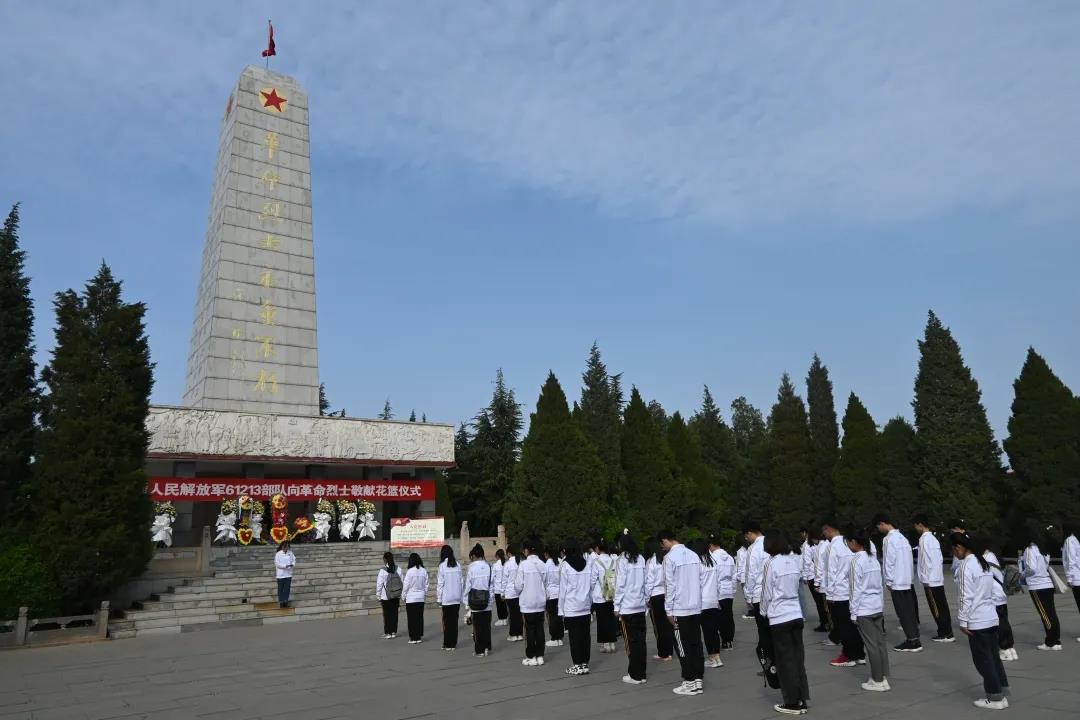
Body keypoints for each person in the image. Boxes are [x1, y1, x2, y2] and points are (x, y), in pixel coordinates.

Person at [953, 533, 1010, 710]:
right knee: (993, 657)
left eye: (953, 550)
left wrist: (963, 620)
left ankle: (995, 697)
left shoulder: (966, 565)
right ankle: (1002, 690)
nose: (954, 554)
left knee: (983, 660)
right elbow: (992, 590)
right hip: (990, 616)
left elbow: (965, 596)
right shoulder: (982, 563)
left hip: (977, 619)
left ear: (959, 547)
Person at [761, 531, 810, 715]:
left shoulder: (771, 563)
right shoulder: (793, 561)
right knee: (798, 660)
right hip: (795, 613)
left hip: (780, 615)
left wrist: (763, 611)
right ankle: (802, 698)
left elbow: (767, 592)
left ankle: (791, 702)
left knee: (785, 661)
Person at [661, 528, 705, 696]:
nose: (663, 547)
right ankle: (698, 679)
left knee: (682, 646)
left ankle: (689, 681)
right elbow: (701, 580)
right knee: (696, 643)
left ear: (665, 540)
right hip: (695, 606)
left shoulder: (669, 558)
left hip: (680, 608)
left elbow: (669, 585)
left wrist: (668, 609)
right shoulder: (693, 555)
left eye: (662, 544)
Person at [848, 530, 890, 692]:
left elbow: (855, 589)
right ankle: (883, 677)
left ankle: (877, 680)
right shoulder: (873, 560)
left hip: (864, 609)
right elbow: (879, 585)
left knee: (871, 645)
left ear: (854, 542)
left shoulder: (856, 561)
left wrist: (853, 612)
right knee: (880, 643)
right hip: (876, 606)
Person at [874, 513, 922, 653]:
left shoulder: (888, 539)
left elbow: (889, 561)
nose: (879, 529)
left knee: (903, 612)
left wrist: (888, 580)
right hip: (907, 580)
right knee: (910, 612)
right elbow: (909, 560)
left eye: (878, 526)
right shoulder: (902, 538)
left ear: (882, 523)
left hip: (897, 582)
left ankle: (912, 641)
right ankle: (915, 638)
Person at [822, 522, 865, 668]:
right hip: (853, 590)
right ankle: (859, 654)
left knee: (843, 626)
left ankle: (848, 655)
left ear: (828, 529)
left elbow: (830, 571)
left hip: (839, 592)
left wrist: (829, 594)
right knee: (854, 626)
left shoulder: (833, 546)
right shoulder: (851, 543)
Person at [614, 531, 649, 685]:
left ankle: (634, 674)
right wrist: (646, 599)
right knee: (641, 641)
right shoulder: (640, 558)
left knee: (631, 642)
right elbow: (646, 582)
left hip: (627, 607)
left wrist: (616, 605)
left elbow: (620, 584)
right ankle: (641, 673)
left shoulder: (622, 560)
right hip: (640, 605)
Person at [913, 515, 955, 642]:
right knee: (943, 606)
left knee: (936, 608)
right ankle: (948, 631)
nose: (915, 529)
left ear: (920, 524)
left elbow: (925, 561)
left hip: (930, 580)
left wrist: (925, 579)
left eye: (915, 526)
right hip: (937, 578)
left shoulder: (924, 540)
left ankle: (944, 633)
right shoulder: (933, 539)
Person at [1021, 532, 1061, 650]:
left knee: (1045, 615)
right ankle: (1056, 641)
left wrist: (1022, 574)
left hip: (1037, 586)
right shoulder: (1043, 550)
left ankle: (1050, 642)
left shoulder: (1030, 549)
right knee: (1051, 613)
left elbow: (1031, 568)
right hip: (1047, 584)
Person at [559, 540, 594, 676]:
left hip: (571, 606)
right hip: (585, 605)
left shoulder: (565, 565)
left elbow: (563, 589)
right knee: (585, 636)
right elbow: (590, 586)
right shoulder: (586, 564)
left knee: (574, 637)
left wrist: (561, 610)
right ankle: (585, 663)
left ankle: (577, 664)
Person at [982, 539, 1017, 662]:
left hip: (994, 595)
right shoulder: (993, 555)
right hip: (1001, 594)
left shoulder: (986, 557)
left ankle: (1004, 649)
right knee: (1004, 621)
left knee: (999, 624)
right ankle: (1010, 648)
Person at [515, 539, 548, 666]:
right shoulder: (542, 564)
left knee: (529, 630)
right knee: (540, 629)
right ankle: (540, 656)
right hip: (540, 602)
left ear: (526, 550)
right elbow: (545, 582)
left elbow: (518, 585)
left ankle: (531, 656)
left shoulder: (523, 565)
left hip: (528, 603)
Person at [693, 540, 723, 668]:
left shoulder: (698, 563)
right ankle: (717, 657)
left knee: (707, 631)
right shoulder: (712, 562)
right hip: (713, 600)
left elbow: (696, 584)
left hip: (703, 602)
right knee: (713, 631)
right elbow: (718, 583)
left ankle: (712, 658)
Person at [645, 538, 674, 661]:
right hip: (666, 593)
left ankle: (663, 652)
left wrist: (646, 598)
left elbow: (649, 582)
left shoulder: (651, 561)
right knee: (668, 624)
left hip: (656, 595)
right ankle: (670, 651)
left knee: (659, 626)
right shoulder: (666, 559)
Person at [464, 543, 494, 656]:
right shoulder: (489, 566)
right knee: (486, 626)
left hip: (475, 600)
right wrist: (491, 599)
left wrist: (466, 602)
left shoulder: (472, 567)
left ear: (474, 555)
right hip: (487, 600)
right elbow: (492, 585)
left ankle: (480, 650)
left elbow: (468, 586)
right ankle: (487, 647)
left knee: (477, 627)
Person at [709, 533, 737, 649]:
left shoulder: (712, 558)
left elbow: (713, 577)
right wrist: (733, 589)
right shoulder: (729, 557)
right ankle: (729, 640)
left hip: (719, 591)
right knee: (729, 616)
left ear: (711, 545)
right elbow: (734, 575)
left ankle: (725, 640)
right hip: (728, 590)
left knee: (720, 617)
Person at [744, 523, 769, 655]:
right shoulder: (771, 542)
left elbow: (751, 573)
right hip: (774, 593)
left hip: (759, 593)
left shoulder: (753, 548)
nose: (746, 539)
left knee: (763, 627)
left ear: (750, 532)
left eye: (746, 536)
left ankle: (766, 654)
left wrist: (748, 596)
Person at [591, 538, 618, 653]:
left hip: (600, 595)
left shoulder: (596, 562)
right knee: (611, 619)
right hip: (612, 594)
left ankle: (605, 644)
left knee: (602, 620)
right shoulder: (614, 561)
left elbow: (592, 580)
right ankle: (612, 643)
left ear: (598, 548)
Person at [436, 544, 463, 651]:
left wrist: (439, 598)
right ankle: (453, 644)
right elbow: (461, 582)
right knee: (454, 622)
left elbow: (440, 584)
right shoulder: (457, 565)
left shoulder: (442, 566)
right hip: (456, 598)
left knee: (447, 622)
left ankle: (447, 643)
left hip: (447, 598)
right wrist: (461, 596)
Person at [801, 529, 828, 634]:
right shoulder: (827, 544)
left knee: (819, 602)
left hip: (813, 576)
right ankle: (828, 622)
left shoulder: (807, 545)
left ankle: (824, 623)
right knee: (825, 602)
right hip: (825, 577)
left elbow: (807, 562)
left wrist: (805, 576)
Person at [376, 551, 403, 638]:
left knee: (387, 614)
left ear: (385, 559)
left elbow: (379, 584)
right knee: (394, 614)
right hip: (396, 595)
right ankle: (394, 632)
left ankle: (388, 633)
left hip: (385, 596)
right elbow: (402, 582)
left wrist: (378, 595)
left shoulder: (382, 570)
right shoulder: (398, 569)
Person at [403, 553, 428, 644]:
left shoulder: (410, 571)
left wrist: (403, 596)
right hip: (420, 598)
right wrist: (424, 594)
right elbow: (426, 585)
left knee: (411, 619)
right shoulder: (423, 571)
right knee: (419, 618)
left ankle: (413, 638)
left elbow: (406, 585)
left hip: (411, 598)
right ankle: (418, 637)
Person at [542, 547, 565, 647]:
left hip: (551, 594)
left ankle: (555, 638)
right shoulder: (559, 562)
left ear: (547, 554)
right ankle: (560, 637)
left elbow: (544, 581)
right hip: (559, 593)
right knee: (559, 616)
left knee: (552, 617)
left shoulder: (546, 565)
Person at [1060, 524, 1079, 643]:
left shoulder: (1070, 540)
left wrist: (1070, 578)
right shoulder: (1076, 541)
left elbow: (1071, 560)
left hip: (1077, 578)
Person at [502, 546, 524, 642]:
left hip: (510, 592)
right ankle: (520, 634)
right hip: (520, 592)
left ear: (509, 553)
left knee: (512, 614)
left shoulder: (507, 564)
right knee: (519, 614)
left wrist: (502, 592)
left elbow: (504, 580)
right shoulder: (521, 563)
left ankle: (513, 634)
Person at [274, 540, 295, 609]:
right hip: (280, 575)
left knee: (287, 589)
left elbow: (294, 560)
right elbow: (277, 564)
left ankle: (285, 601)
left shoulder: (290, 553)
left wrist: (292, 565)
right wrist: (285, 566)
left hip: (288, 574)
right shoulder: (278, 554)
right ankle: (281, 602)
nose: (286, 548)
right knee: (281, 589)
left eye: (287, 546)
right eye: (285, 546)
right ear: (282, 546)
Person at [736, 540, 753, 619]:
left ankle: (751, 611)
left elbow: (739, 565)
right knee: (752, 593)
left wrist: (738, 577)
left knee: (746, 595)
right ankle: (753, 610)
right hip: (750, 574)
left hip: (743, 575)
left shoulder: (740, 551)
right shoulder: (751, 548)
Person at [493, 548, 509, 627]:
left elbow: (493, 577)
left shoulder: (495, 565)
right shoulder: (505, 564)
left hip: (497, 588)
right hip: (505, 588)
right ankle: (505, 619)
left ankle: (501, 619)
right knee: (504, 605)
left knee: (499, 605)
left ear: (497, 556)